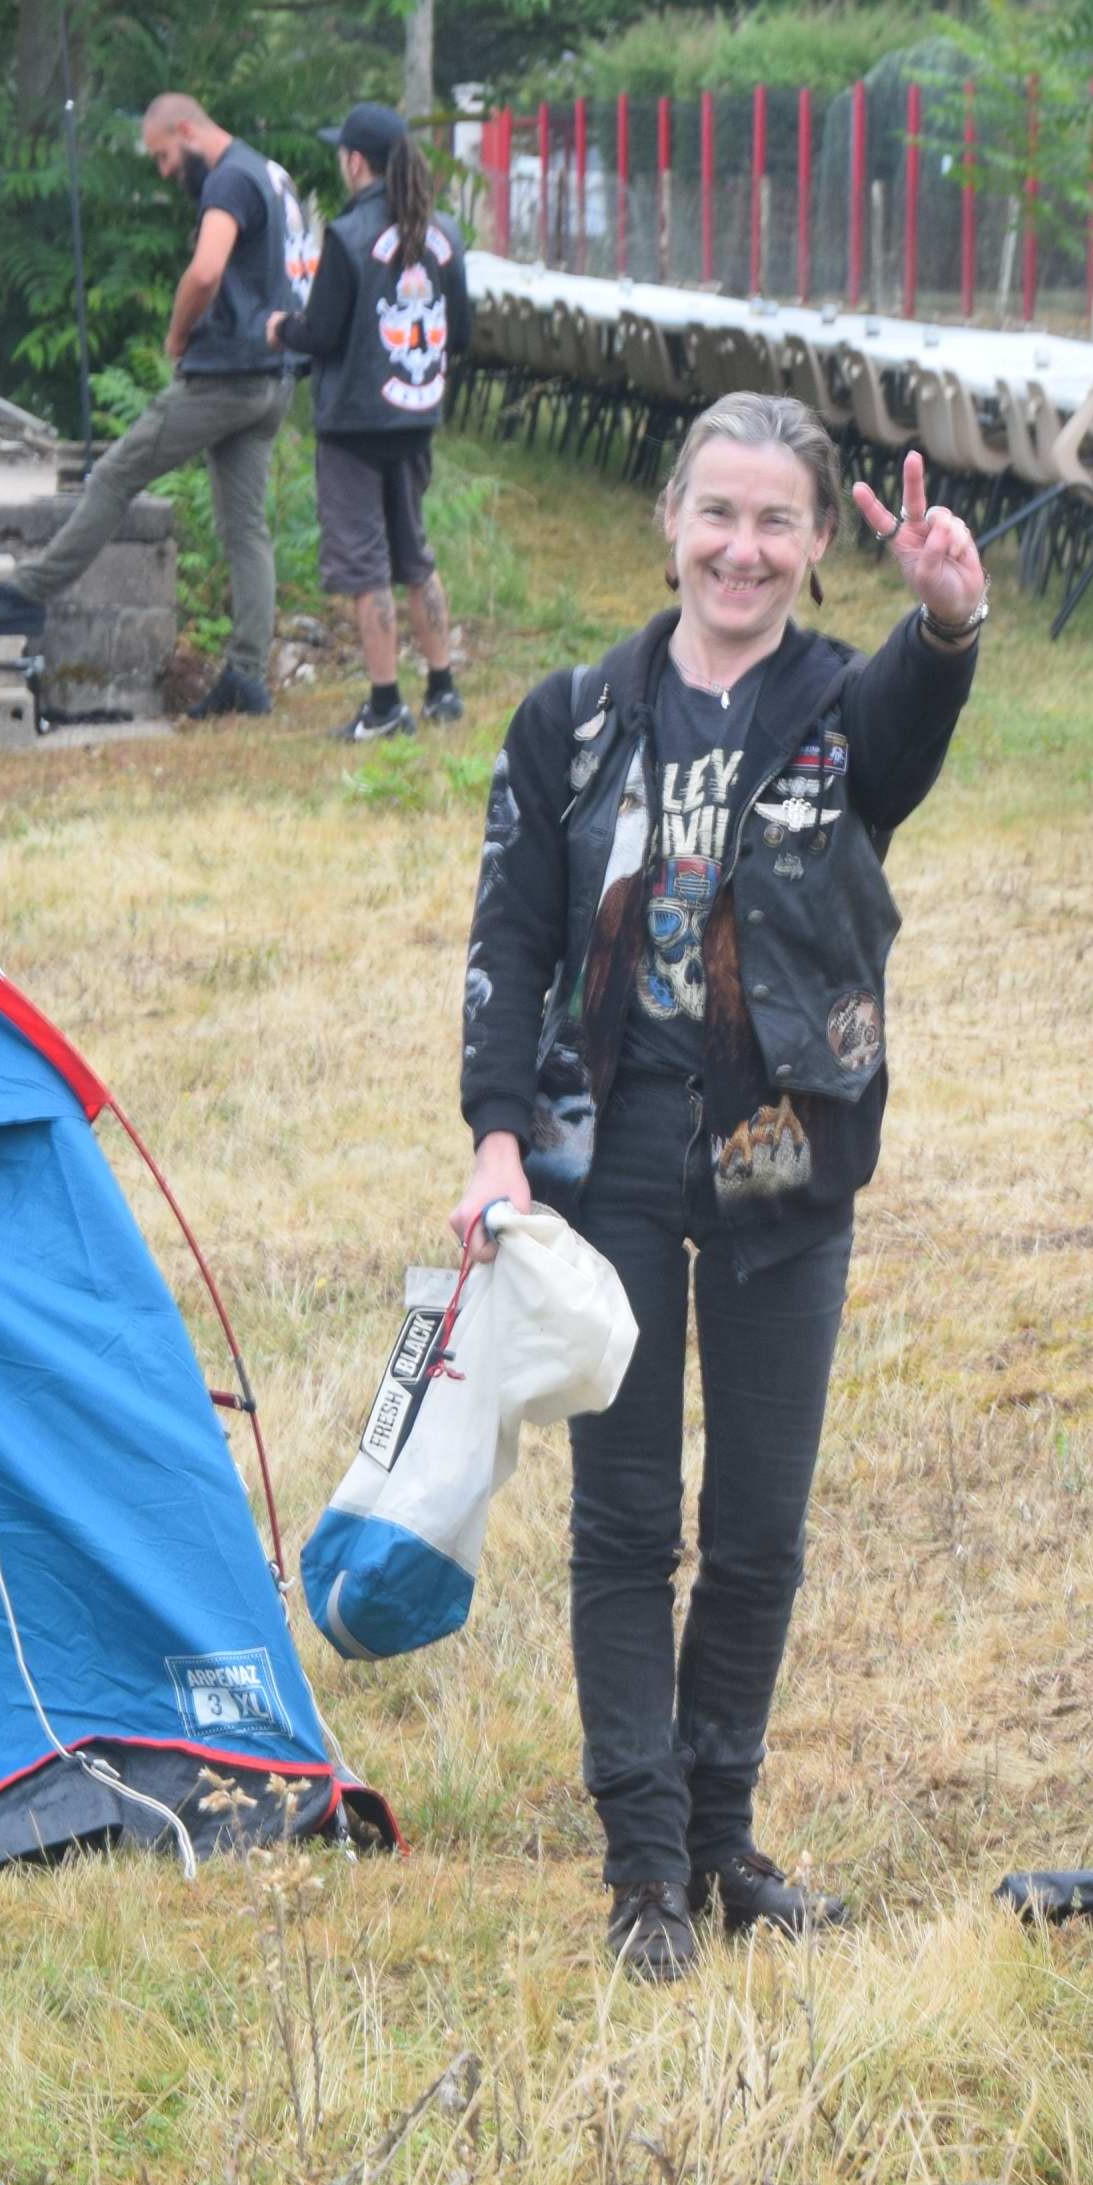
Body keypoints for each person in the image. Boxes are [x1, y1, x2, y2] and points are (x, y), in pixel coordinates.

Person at [449, 398, 990, 1981]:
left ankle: (719, 1833)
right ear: (670, 520)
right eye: (717, 514)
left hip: (782, 1149)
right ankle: (643, 1866)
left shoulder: (843, 710)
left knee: (756, 1523)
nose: (742, 549)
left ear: (821, 544)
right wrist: (494, 1136)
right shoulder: (574, 718)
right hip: (604, 1143)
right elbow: (510, 940)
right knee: (624, 1520)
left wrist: (948, 609)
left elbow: (925, 694)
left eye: (777, 523)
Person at [0, 93, 308, 720]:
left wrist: (176, 334)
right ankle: (246, 676)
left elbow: (205, 272)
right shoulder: (266, 173)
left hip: (223, 377)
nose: (164, 171)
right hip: (273, 381)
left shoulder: (229, 182)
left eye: (164, 156)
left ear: (186, 130)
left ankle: (25, 593)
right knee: (245, 529)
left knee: (112, 476)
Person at [270, 101, 471, 742]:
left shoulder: (351, 235)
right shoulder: (443, 233)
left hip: (354, 424)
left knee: (365, 564)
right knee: (414, 552)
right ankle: (442, 689)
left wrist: (282, 329)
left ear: (356, 161)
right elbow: (458, 333)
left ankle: (385, 707)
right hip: (413, 419)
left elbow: (321, 331)